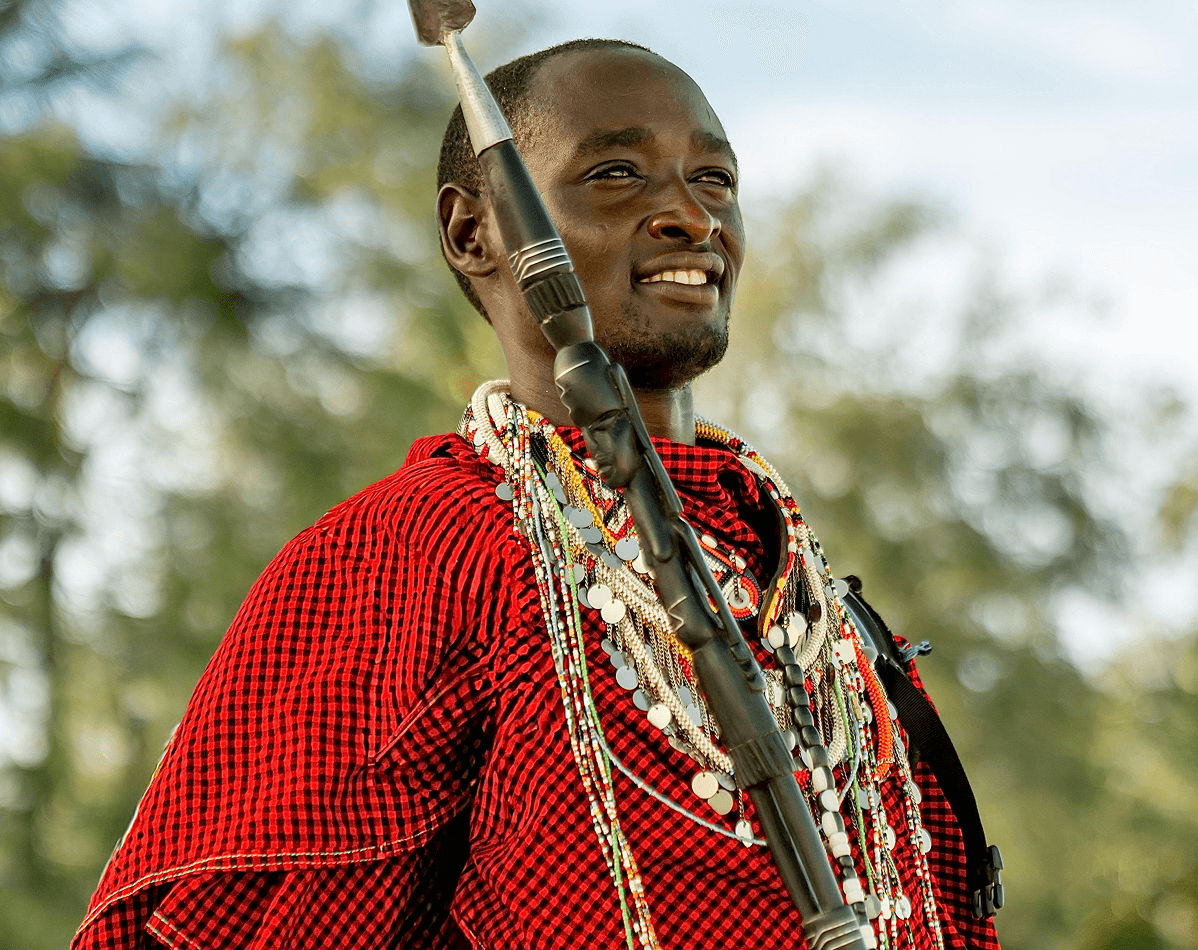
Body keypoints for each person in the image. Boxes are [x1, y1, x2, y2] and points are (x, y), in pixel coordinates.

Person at [72, 39, 1002, 950]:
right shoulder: (421, 544)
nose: (690, 216)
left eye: (714, 181)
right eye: (615, 174)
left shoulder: (781, 563)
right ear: (474, 231)